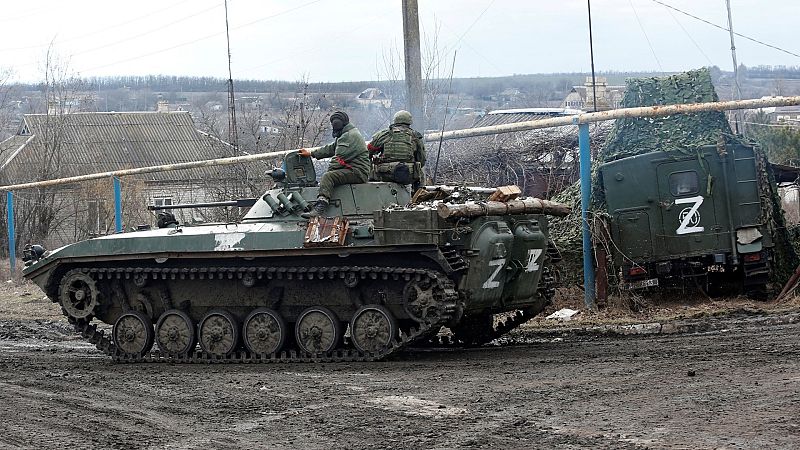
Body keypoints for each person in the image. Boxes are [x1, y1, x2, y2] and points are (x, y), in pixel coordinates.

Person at [298, 111, 370, 218]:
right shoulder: (346, 134)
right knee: (328, 177)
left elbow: (337, 160)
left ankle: (320, 207)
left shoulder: (349, 136)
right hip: (353, 169)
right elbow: (331, 148)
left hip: (357, 172)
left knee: (328, 176)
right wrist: (311, 153)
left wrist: (326, 180)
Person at [367, 110, 426, 191]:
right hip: (408, 175)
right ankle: (417, 195)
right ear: (409, 122)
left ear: (395, 121)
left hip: (385, 175)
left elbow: (368, 153)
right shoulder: (415, 136)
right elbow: (421, 160)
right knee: (419, 171)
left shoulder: (384, 135)